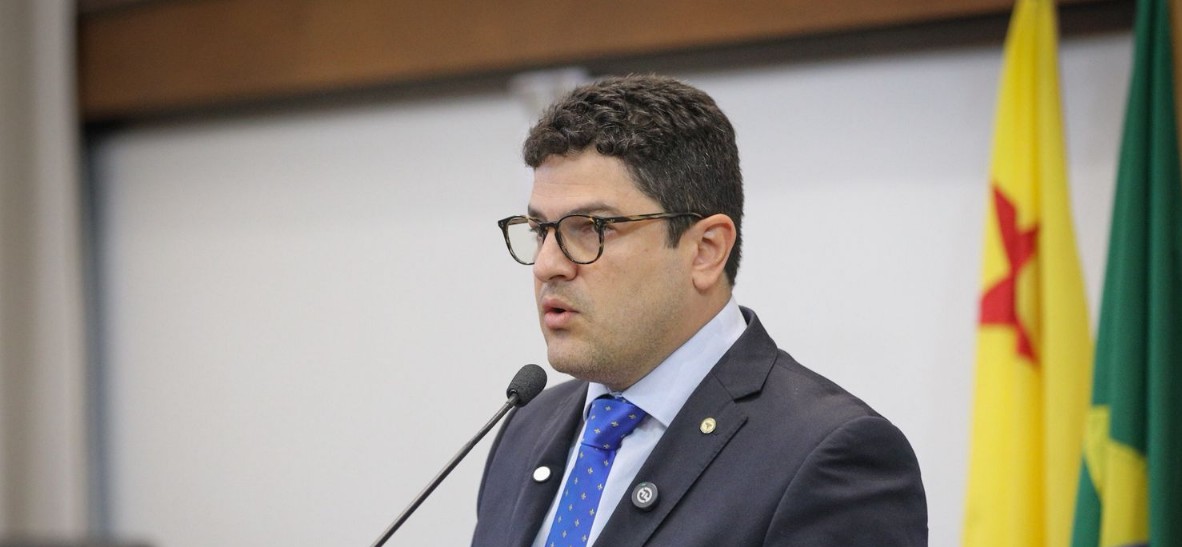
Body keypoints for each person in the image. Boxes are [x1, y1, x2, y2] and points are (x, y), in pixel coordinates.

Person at [473, 74, 927, 546]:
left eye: (590, 228)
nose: (547, 264)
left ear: (706, 250)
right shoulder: (526, 427)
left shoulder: (831, 455)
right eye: (539, 231)